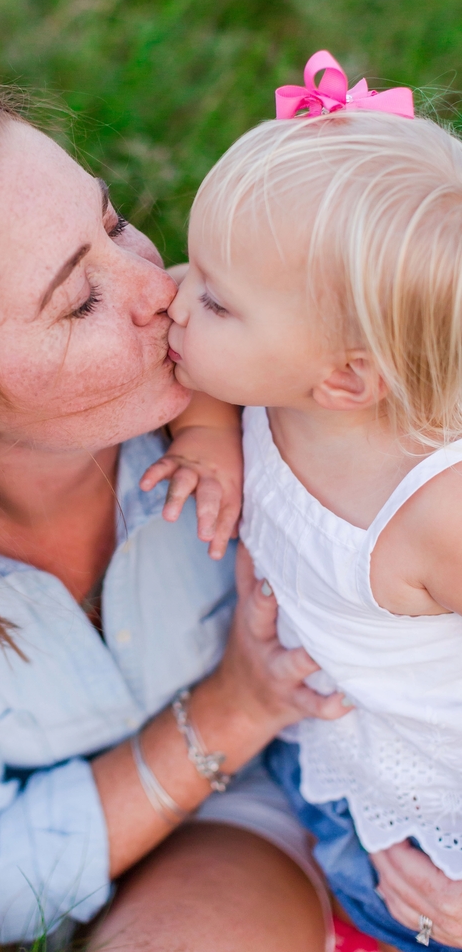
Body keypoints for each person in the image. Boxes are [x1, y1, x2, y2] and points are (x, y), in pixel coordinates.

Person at [0, 88, 351, 952]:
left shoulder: (266, 387)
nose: (161, 289)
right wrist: (234, 703)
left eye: (115, 222)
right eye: (80, 300)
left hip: (238, 799)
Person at [164, 50, 462, 951]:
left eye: (213, 299)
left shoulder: (433, 513)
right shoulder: (270, 376)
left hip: (429, 800)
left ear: (342, 379)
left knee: (414, 904)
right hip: (330, 739)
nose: (170, 292)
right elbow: (223, 367)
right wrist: (208, 431)